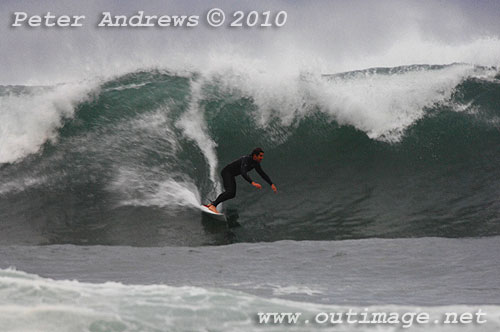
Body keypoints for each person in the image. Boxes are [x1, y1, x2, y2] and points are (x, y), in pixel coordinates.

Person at [205, 148, 277, 213]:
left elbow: (262, 173)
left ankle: (212, 204)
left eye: (262, 156)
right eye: (260, 156)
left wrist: (271, 184)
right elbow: (243, 172)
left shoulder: (256, 163)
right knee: (230, 191)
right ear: (255, 155)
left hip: (231, 175)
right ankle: (213, 205)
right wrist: (252, 182)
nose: (262, 158)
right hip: (226, 172)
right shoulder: (246, 159)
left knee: (232, 194)